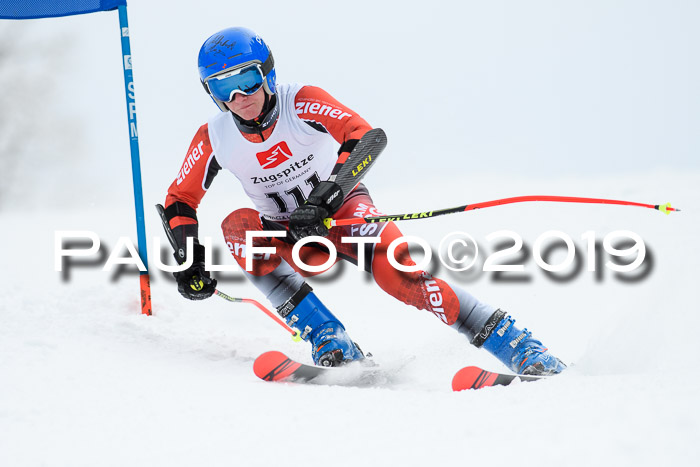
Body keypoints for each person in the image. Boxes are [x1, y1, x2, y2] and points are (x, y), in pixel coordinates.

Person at [163, 27, 566, 374]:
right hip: (288, 233)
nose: (239, 95)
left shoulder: (299, 101)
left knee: (402, 278)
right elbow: (180, 199)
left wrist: (325, 198)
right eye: (222, 87)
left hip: (341, 214)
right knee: (238, 226)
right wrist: (187, 257)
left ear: (267, 73)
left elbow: (367, 137)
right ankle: (330, 339)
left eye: (248, 79)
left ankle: (521, 347)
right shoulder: (214, 137)